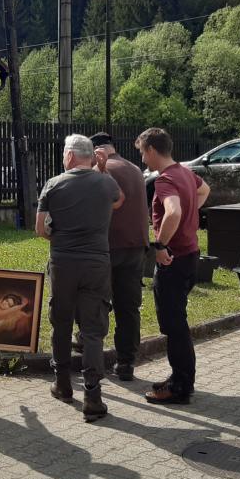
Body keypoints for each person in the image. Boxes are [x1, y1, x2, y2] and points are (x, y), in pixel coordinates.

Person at [36, 134, 122, 422]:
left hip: (63, 263)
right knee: (93, 329)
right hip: (97, 263)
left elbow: (40, 229)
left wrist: (59, 237)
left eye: (64, 153)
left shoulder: (53, 184)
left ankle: (62, 384)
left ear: (71, 155)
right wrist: (103, 170)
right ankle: (93, 396)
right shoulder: (106, 183)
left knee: (61, 323)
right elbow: (119, 200)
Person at [135, 127, 210, 405]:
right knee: (177, 321)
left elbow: (174, 212)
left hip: (174, 260)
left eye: (142, 153)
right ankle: (180, 377)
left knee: (174, 324)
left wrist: (161, 245)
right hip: (190, 255)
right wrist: (191, 215)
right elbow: (204, 190)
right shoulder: (185, 173)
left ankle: (180, 386)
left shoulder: (165, 180)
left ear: (151, 150)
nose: (143, 159)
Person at [89, 132, 149, 382]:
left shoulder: (99, 171)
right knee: (128, 307)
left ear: (96, 151)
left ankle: (91, 356)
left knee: (96, 302)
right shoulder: (135, 169)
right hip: (136, 246)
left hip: (109, 245)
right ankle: (126, 362)